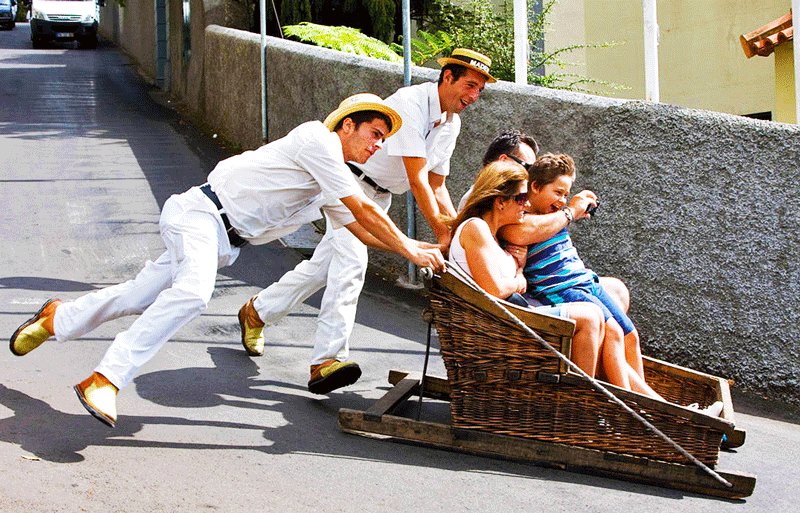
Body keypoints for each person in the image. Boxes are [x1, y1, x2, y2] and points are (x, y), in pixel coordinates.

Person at [9, 93, 446, 428]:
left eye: (384, 141)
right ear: (347, 125)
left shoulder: (327, 181)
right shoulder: (318, 139)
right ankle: (105, 378)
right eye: (374, 135)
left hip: (221, 240)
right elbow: (366, 208)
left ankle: (57, 319)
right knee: (194, 295)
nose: (378, 146)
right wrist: (410, 246)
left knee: (136, 296)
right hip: (199, 214)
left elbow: (358, 228)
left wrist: (423, 252)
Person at [237, 49, 495, 393]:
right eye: (470, 85)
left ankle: (256, 311)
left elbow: (437, 184)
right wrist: (440, 234)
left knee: (322, 268)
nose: (474, 96)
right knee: (352, 263)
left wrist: (454, 230)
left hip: (380, 195)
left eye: (480, 90)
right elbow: (417, 181)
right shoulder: (411, 104)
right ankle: (326, 361)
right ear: (447, 77)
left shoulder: (452, 123)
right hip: (348, 182)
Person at [446, 160, 617, 381]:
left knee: (602, 307)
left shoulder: (494, 237)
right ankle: (580, 398)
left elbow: (511, 280)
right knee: (590, 316)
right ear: (500, 201)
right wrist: (518, 279)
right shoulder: (475, 227)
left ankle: (599, 392)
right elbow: (494, 289)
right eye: (521, 198)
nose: (526, 205)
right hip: (493, 325)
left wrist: (519, 270)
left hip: (507, 317)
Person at [516, 153, 666, 399]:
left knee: (630, 336)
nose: (562, 200)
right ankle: (630, 408)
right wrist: (570, 212)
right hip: (561, 288)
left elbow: (558, 218)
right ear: (535, 186)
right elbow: (524, 233)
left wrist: (575, 204)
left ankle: (650, 405)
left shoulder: (554, 215)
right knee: (614, 334)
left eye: (565, 194)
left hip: (585, 281)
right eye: (557, 192)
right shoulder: (522, 218)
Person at [459, 129, 632, 315]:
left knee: (617, 291)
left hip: (526, 283)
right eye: (527, 167)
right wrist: (570, 212)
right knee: (592, 315)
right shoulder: (491, 203)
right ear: (503, 162)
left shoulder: (513, 201)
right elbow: (520, 233)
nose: (530, 175)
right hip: (512, 298)